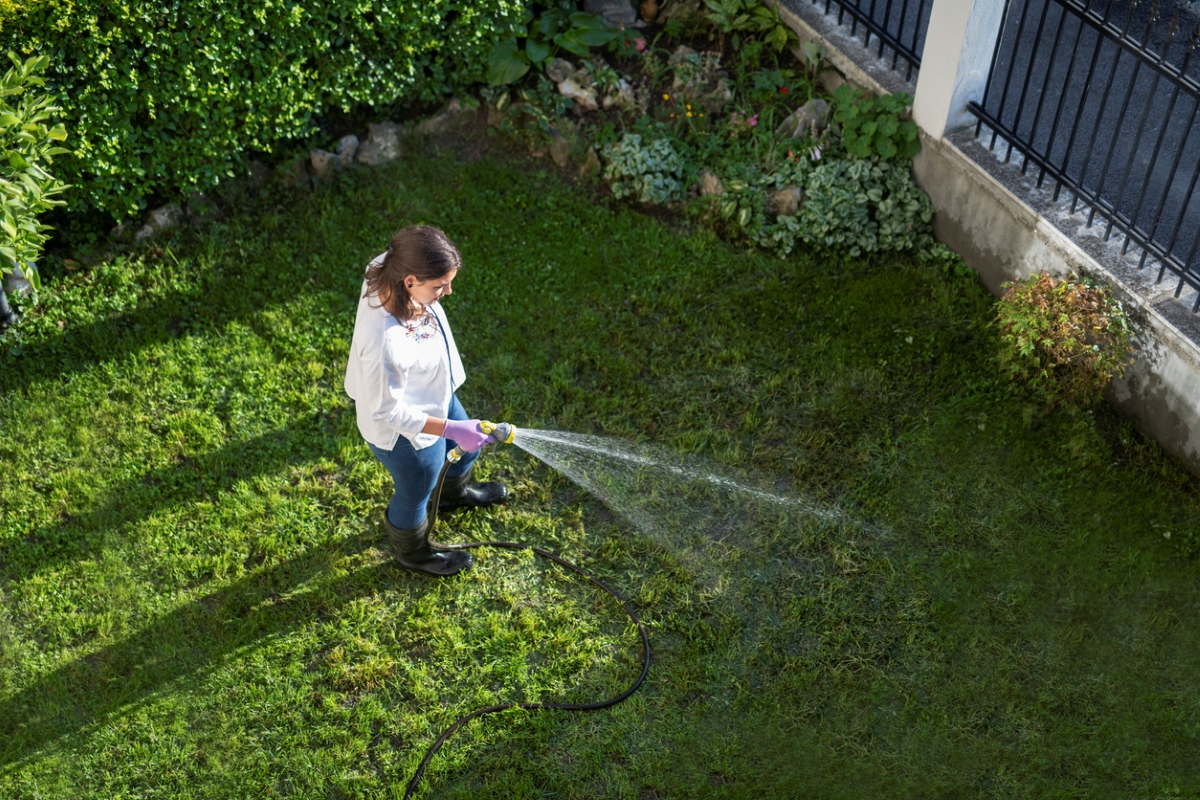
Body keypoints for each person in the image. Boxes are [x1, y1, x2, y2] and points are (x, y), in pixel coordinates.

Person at [344, 225, 508, 577]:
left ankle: (451, 496)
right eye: (439, 285)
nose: (448, 291)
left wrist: (453, 425)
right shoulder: (382, 342)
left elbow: (406, 245)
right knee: (418, 487)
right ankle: (413, 553)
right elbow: (386, 410)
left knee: (468, 449)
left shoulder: (389, 265)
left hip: (433, 394)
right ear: (410, 281)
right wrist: (451, 427)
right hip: (402, 433)